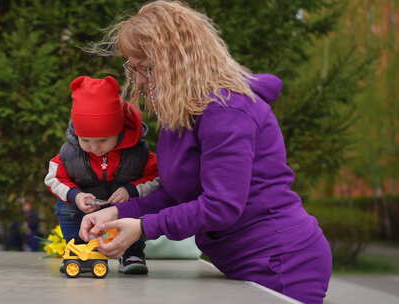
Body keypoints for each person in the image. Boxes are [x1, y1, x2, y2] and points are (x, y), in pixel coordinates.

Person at [78, 1, 332, 303]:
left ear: (175, 62)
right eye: (132, 67)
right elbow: (178, 195)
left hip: (281, 264)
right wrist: (117, 211)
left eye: (144, 67)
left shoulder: (229, 112)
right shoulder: (184, 114)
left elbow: (221, 205)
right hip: (244, 262)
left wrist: (144, 227)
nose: (140, 80)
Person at [44, 75, 160, 274]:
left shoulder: (137, 152)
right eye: (86, 140)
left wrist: (131, 190)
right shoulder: (70, 153)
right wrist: (75, 195)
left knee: (137, 208)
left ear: (119, 132)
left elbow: (156, 178)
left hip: (121, 208)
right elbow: (53, 178)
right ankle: (78, 248)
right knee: (66, 207)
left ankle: (132, 252)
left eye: (103, 140)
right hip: (84, 209)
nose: (95, 148)